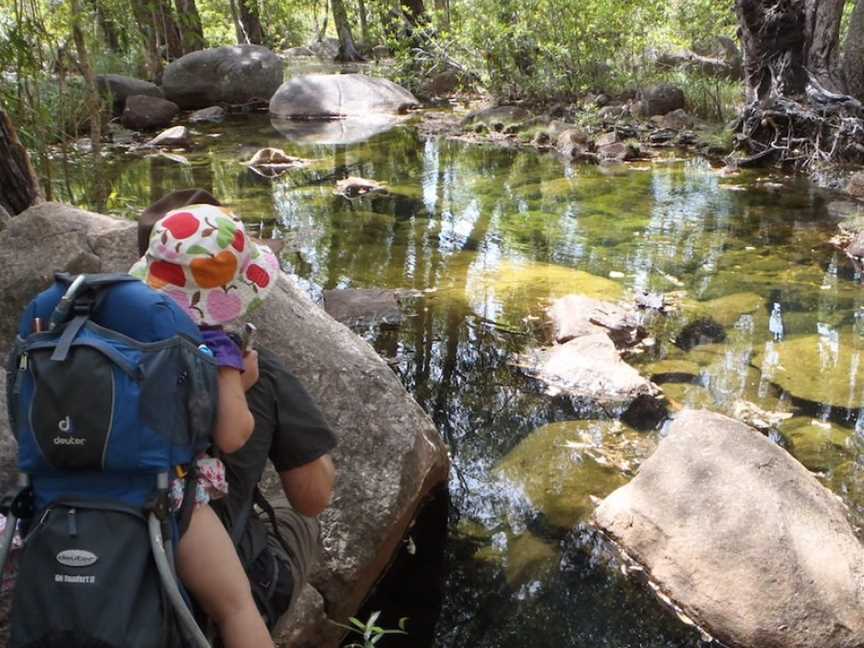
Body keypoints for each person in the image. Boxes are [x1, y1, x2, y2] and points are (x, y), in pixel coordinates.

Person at [137, 190, 338, 632]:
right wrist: (242, 388)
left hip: (105, 516)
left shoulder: (107, 341)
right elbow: (313, 498)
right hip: (188, 522)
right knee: (245, 593)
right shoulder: (239, 362)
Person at [131, 201, 282, 648]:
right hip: (164, 491)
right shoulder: (215, 344)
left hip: (77, 476)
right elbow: (232, 436)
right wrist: (243, 381)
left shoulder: (118, 318)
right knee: (236, 607)